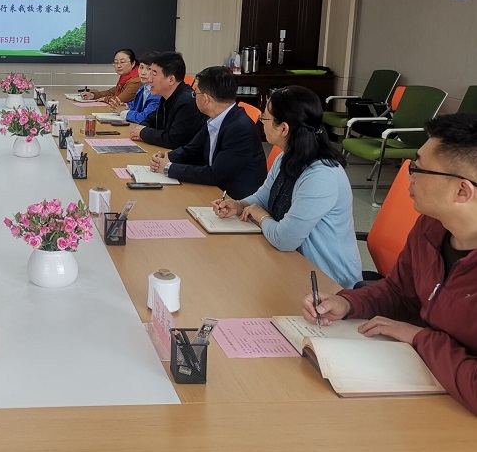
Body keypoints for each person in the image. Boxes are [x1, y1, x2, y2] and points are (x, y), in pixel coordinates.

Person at [302, 113, 477, 414]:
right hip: (425, 382)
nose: (409, 177)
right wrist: (349, 303)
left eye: (418, 168)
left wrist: (421, 337)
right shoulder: (431, 226)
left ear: (462, 191)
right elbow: (400, 292)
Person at [214, 85, 362, 288]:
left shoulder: (321, 175)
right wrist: (240, 205)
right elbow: (264, 197)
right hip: (290, 263)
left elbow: (284, 239)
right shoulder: (287, 157)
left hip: (327, 281)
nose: (261, 123)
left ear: (283, 128)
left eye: (264, 118)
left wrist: (260, 216)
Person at [150, 66, 266, 198]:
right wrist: (168, 157)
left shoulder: (240, 129)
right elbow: (192, 149)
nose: (193, 97)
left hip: (234, 199)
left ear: (206, 99)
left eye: (195, 94)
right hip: (215, 190)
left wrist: (169, 168)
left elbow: (215, 175)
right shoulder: (213, 117)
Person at [129, 51, 205, 149]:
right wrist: (141, 129)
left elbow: (174, 140)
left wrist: (143, 132)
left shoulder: (187, 102)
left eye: (154, 74)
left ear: (171, 80)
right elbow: (150, 120)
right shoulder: (166, 97)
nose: (150, 79)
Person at [108, 51, 162, 124]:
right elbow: (134, 105)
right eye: (141, 67)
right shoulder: (142, 88)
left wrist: (124, 112)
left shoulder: (158, 92)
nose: (143, 72)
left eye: (149, 69)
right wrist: (126, 107)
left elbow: (145, 118)